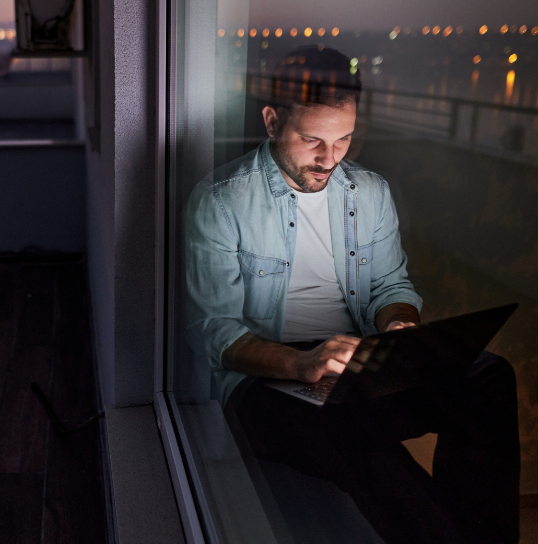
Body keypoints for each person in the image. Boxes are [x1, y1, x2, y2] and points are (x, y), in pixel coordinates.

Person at [184, 45, 519, 544]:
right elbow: (216, 332)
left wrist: (399, 329)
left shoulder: (370, 193)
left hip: (357, 360)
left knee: (488, 376)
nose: (329, 158)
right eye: (312, 140)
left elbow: (391, 287)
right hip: (268, 381)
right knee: (350, 427)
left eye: (344, 139)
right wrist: (302, 365)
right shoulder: (221, 200)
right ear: (273, 121)